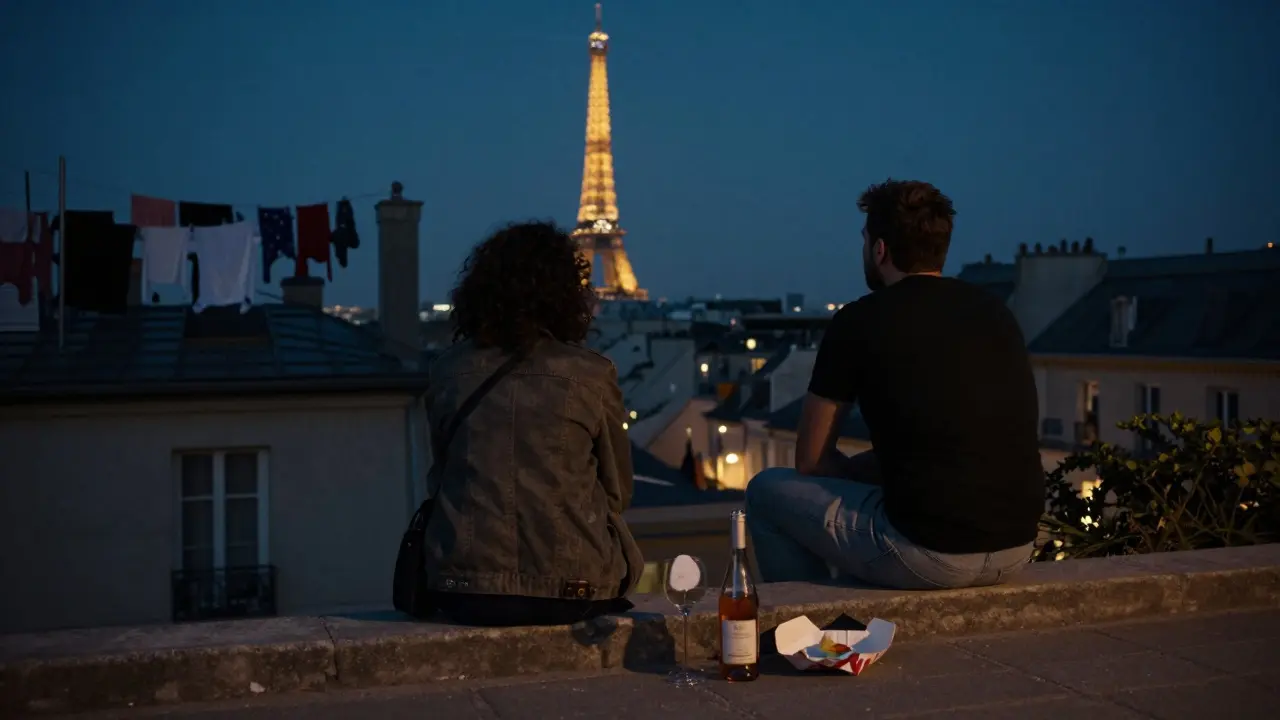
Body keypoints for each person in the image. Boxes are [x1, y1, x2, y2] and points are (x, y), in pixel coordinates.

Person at [745, 179, 1044, 590]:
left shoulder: (859, 321)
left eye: (865, 240)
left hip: (930, 554)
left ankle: (807, 629)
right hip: (1017, 548)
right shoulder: (995, 313)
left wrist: (852, 470)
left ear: (880, 249)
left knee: (764, 492)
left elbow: (812, 461)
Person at [423, 221, 643, 625]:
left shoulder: (447, 372)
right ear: (567, 293)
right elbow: (616, 492)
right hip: (573, 589)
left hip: (461, 589)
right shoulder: (590, 375)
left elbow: (441, 477)